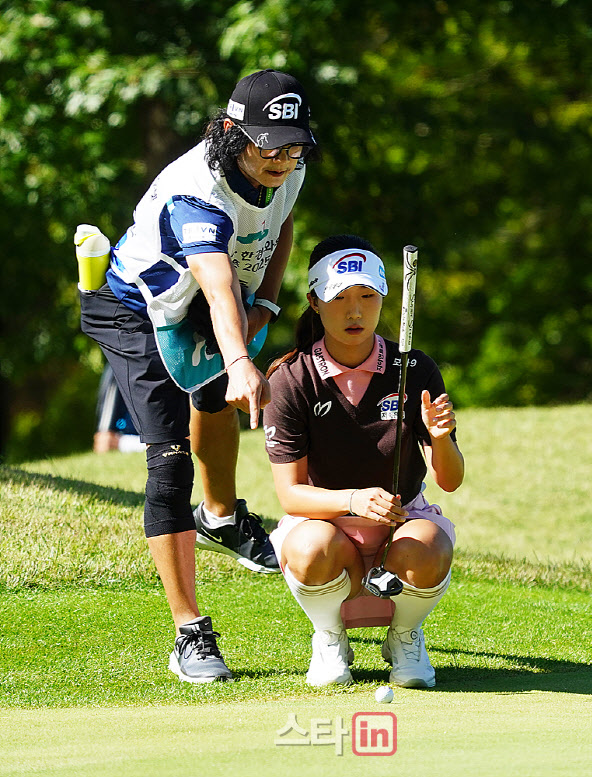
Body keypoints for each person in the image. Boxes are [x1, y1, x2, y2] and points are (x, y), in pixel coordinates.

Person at [80, 69, 317, 683]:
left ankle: (219, 517)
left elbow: (282, 222)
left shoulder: (284, 170)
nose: (283, 159)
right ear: (232, 132)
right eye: (270, 144)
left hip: (211, 304)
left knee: (213, 404)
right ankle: (189, 632)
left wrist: (265, 303)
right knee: (167, 460)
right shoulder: (196, 194)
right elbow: (213, 284)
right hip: (137, 309)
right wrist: (242, 360)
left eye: (294, 146)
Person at [262, 235, 464, 688]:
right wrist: (354, 500)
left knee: (431, 544)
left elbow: (449, 480)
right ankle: (330, 636)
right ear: (314, 301)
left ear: (382, 299)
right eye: (340, 298)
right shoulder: (291, 377)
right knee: (309, 547)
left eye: (367, 297)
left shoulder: (415, 368)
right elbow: (289, 492)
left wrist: (441, 437)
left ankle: (405, 636)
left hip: (402, 526)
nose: (355, 312)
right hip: (327, 529)